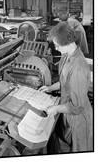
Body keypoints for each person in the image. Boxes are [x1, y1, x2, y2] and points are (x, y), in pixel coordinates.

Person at [39, 22, 93, 153]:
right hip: (67, 111)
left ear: (66, 42)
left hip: (78, 119)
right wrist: (50, 88)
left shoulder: (78, 67)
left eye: (57, 45)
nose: (56, 48)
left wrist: (56, 108)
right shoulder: (66, 56)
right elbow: (64, 82)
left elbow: (77, 106)